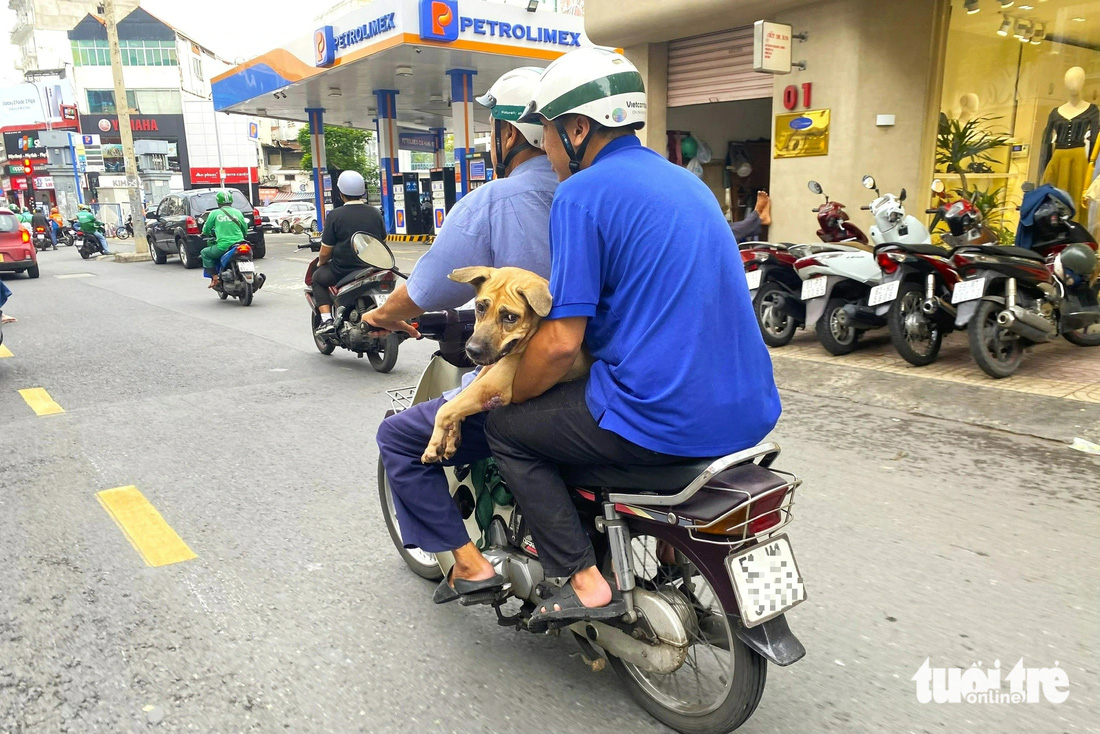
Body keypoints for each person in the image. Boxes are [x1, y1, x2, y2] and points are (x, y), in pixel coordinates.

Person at [476, 48, 781, 629]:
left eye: (546, 133)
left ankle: (585, 582)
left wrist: (510, 392)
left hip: (665, 421)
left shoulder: (581, 195)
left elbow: (563, 343)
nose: (543, 147)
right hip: (751, 411)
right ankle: (668, 551)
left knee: (509, 429)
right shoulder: (688, 186)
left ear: (578, 129)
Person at [371, 67, 559, 602]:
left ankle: (472, 566)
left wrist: (381, 317)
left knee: (399, 439)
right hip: (594, 370)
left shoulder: (496, 199)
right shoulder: (586, 194)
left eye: (493, 130)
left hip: (531, 375)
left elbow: (426, 288)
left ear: (507, 135)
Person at [311, 170, 387, 337]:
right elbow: (382, 241)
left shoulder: (335, 215)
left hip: (343, 270)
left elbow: (325, 251)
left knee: (317, 278)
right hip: (373, 267)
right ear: (363, 191)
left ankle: (326, 320)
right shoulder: (375, 213)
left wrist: (321, 263)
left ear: (340, 194)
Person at [200, 189, 248, 288]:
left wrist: (205, 233)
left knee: (205, 253)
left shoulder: (214, 213)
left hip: (223, 247)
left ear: (218, 201)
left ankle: (215, 278)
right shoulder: (238, 212)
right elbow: (244, 228)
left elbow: (207, 229)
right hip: (241, 243)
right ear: (231, 200)